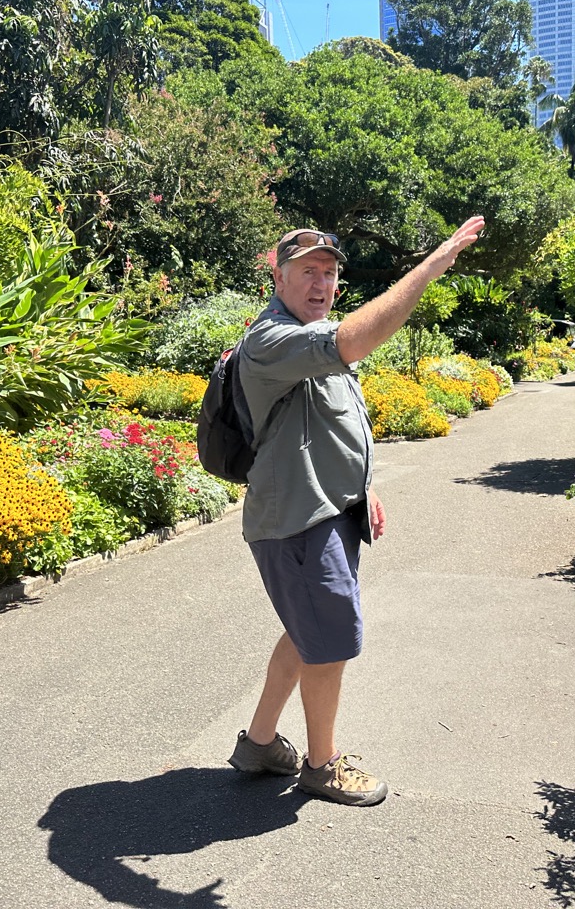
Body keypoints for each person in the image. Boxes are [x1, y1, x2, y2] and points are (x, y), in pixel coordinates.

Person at [226, 217, 485, 807]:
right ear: (279, 276)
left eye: (329, 274)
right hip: (296, 520)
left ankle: (259, 744)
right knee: (331, 639)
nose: (320, 284)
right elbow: (353, 342)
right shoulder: (272, 339)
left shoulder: (310, 329)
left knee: (308, 629)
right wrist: (434, 263)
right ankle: (323, 764)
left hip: (329, 510)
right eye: (307, 272)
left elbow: (337, 423)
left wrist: (362, 487)